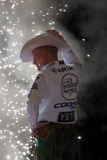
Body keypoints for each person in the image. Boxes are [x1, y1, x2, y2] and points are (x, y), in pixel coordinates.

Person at [20, 30, 82, 160]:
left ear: (44, 53)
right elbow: (74, 61)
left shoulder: (44, 76)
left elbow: (31, 102)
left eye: (35, 56)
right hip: (71, 132)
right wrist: (62, 42)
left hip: (50, 133)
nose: (33, 62)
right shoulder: (74, 70)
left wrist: (34, 126)